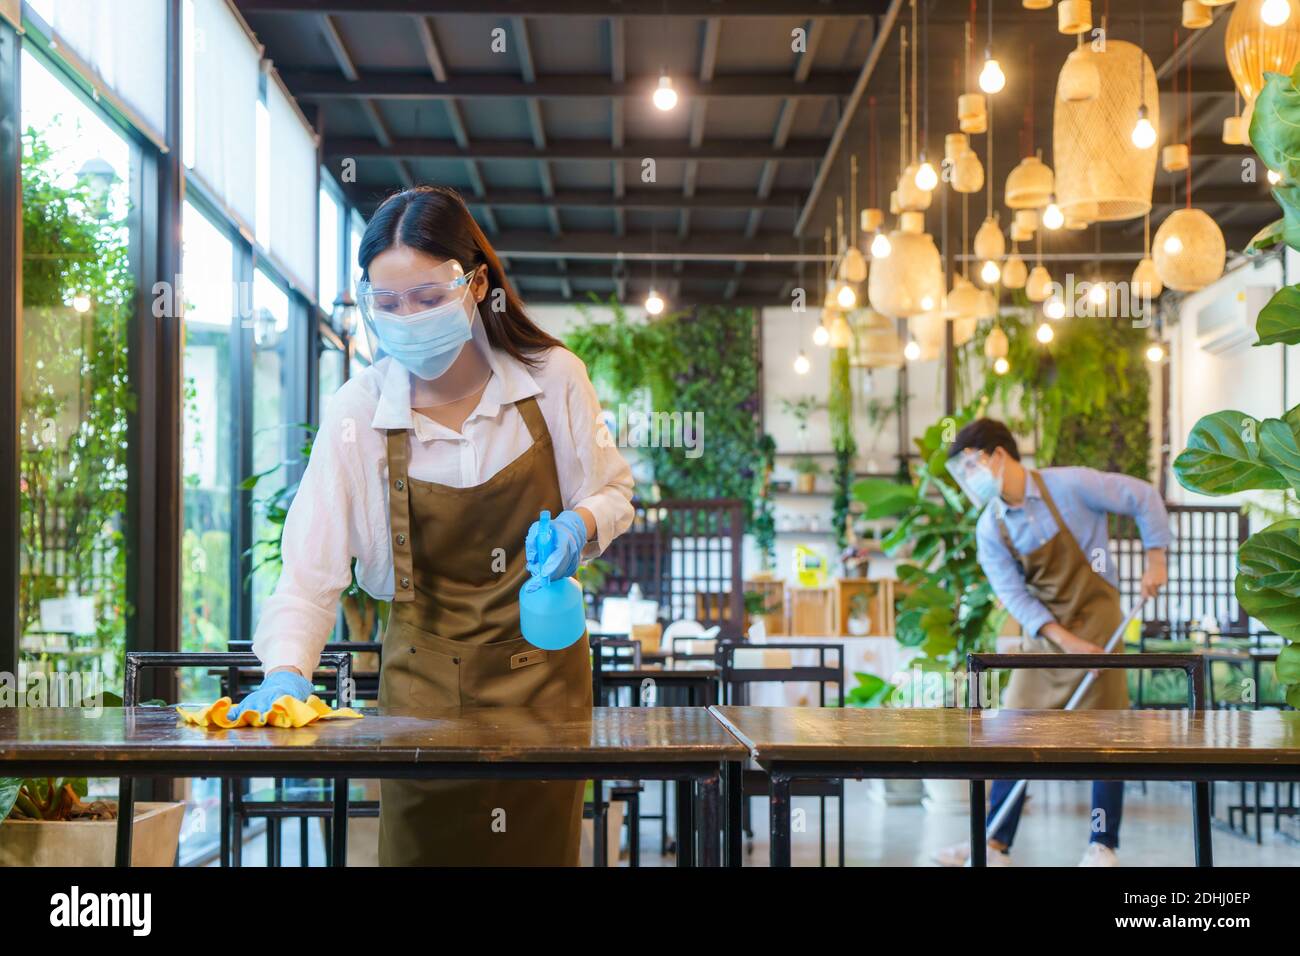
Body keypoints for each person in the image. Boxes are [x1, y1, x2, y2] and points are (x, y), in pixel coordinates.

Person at [228, 185, 635, 865]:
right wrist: (286, 673)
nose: (407, 317)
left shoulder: (552, 379)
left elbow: (614, 489)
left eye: (426, 298)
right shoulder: (358, 413)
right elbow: (308, 576)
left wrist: (579, 524)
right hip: (421, 703)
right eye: (386, 304)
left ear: (475, 285)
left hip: (543, 691)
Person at [935, 418, 1169, 868]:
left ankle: (1103, 845)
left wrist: (1155, 556)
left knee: (1108, 734)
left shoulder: (1072, 485)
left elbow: (1141, 495)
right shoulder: (991, 529)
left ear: (998, 455)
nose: (968, 480)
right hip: (1047, 636)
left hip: (1100, 625)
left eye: (970, 466)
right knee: (1013, 729)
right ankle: (994, 844)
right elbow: (1015, 597)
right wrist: (1065, 642)